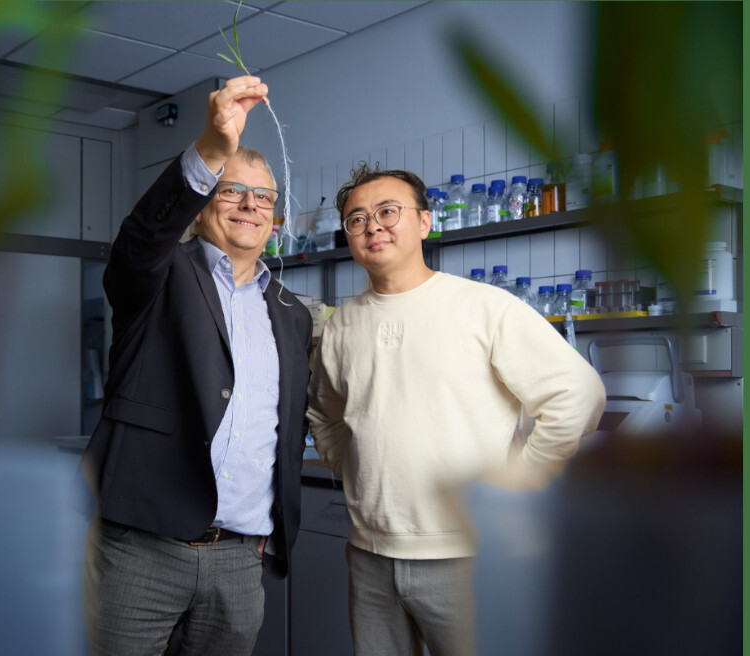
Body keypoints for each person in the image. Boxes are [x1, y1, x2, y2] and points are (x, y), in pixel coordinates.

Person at [306, 163, 606, 655]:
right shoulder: (342, 326)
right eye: (356, 219)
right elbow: (324, 412)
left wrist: (522, 480)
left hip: (467, 556)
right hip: (369, 554)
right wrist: (348, 466)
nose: (372, 226)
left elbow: (579, 394)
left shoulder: (484, 307)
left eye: (388, 211)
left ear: (424, 222)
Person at [79, 76, 313, 656]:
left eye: (263, 198)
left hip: (240, 557)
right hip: (142, 547)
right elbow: (138, 243)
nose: (249, 207)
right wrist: (211, 148)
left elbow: (283, 428)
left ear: (275, 218)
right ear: (206, 199)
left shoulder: (290, 314)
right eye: (232, 190)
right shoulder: (158, 275)